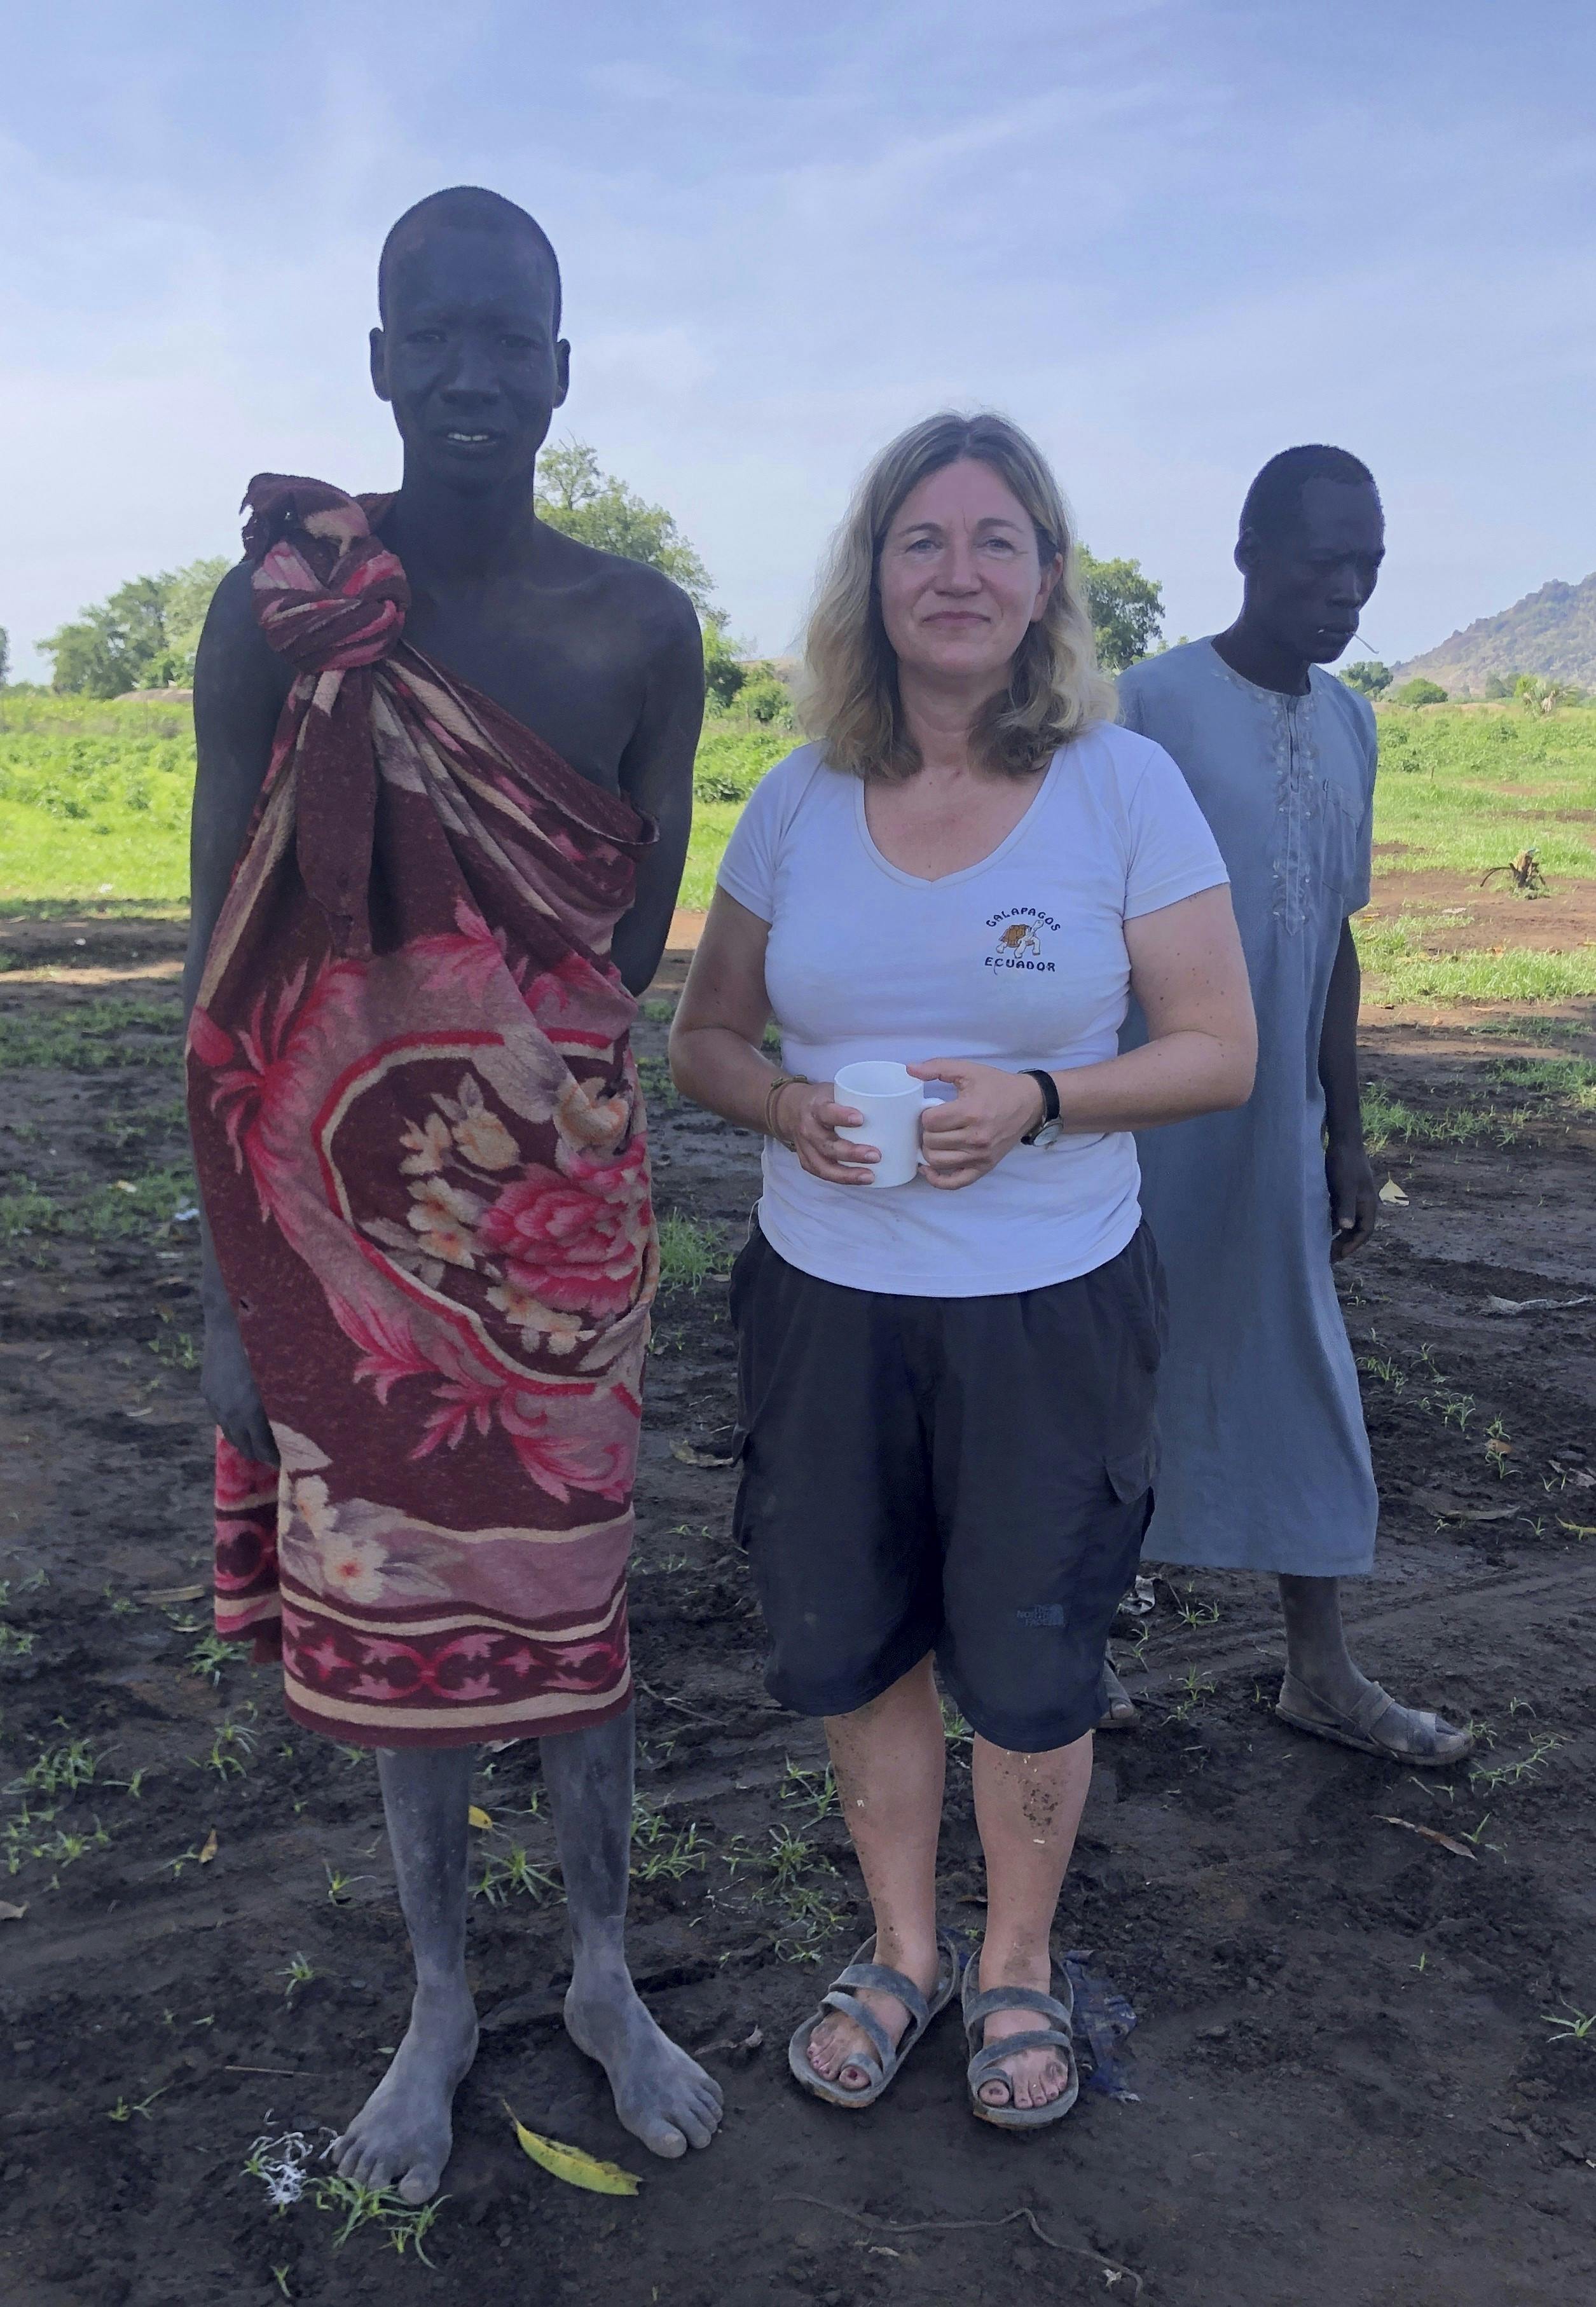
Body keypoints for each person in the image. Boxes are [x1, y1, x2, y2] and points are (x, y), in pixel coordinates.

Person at [184, 186, 721, 2205]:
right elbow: (217, 954)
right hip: (327, 1221)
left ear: (562, 371)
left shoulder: (641, 628)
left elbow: (618, 953)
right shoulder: (286, 614)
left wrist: (498, 1122)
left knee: (571, 1608)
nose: (479, 372)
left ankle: (595, 1970)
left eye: (517, 338)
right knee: (399, 1615)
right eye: (442, 335)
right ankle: (434, 2004)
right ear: (386, 363)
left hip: (556, 1232)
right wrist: (230, 1286)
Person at [669, 412, 1256, 2127]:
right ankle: (901, 1944)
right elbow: (703, 1036)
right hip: (825, 1302)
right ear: (871, 577)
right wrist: (780, 1102)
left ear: (1045, 581)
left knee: (1028, 1647)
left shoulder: (1118, 786)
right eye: (919, 540)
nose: (955, 572)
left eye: (994, 540)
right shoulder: (794, 799)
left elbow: (1213, 1045)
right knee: (857, 1646)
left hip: (1045, 1302)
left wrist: (1043, 1100)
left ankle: (1014, 1958)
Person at [1106, 444, 1472, 1765]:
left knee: (1297, 1371)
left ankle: (1318, 1667)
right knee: (1115, 1363)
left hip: (1272, 1137)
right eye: (1322, 556)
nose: (1346, 587)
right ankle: (1080, 1641)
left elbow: (1332, 940)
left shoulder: (1354, 721)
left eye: (1366, 562)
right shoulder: (1142, 706)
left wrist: (1346, 1132)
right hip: (1144, 1124)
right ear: (1249, 549)